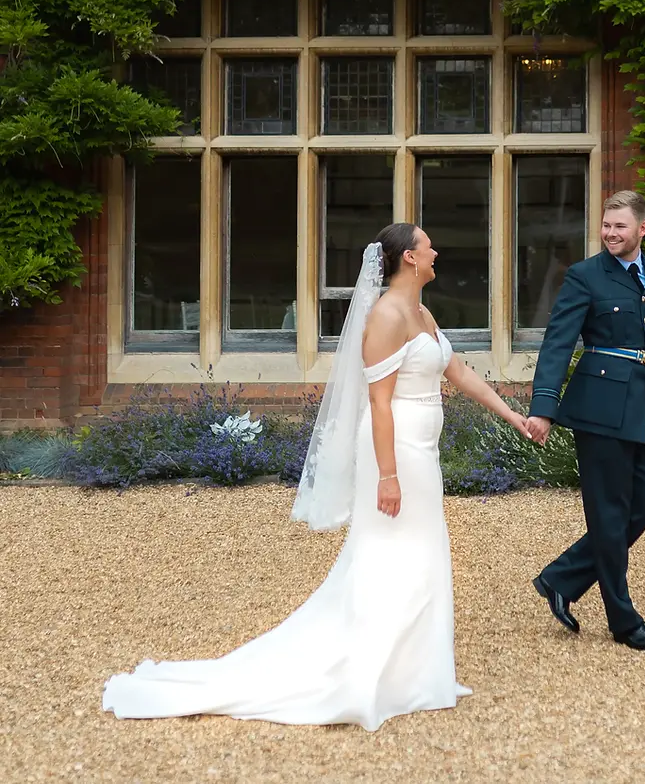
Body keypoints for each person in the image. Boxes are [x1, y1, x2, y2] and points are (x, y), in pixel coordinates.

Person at [103, 224, 530, 731]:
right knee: (390, 550)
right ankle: (373, 667)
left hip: (424, 451)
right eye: (427, 245)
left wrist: (514, 416)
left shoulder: (424, 312)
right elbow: (379, 401)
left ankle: (416, 670)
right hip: (395, 452)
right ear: (410, 259)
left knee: (423, 550)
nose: (436, 250)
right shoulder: (387, 316)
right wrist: (387, 476)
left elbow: (459, 373)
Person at [526, 189, 645, 651]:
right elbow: (557, 343)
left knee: (642, 509)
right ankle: (623, 620)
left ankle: (561, 579)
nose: (610, 233)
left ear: (641, 230)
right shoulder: (585, 276)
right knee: (609, 516)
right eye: (606, 226)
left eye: (620, 226)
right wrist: (543, 408)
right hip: (600, 407)